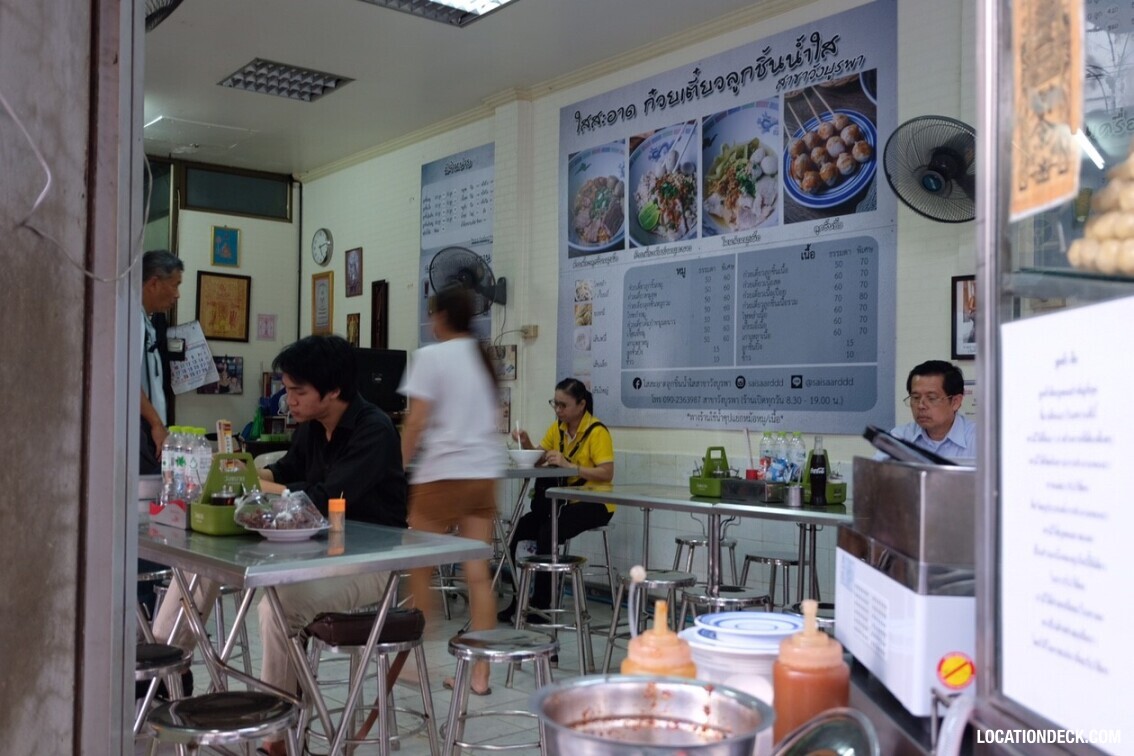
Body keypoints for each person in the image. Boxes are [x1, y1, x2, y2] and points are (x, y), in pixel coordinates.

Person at [152, 336, 407, 754]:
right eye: (287, 389)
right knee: (207, 563)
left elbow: (324, 498)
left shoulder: (374, 430)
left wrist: (259, 482)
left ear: (334, 390)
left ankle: (277, 738)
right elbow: (286, 473)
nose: (288, 400)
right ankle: (165, 669)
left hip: (370, 563)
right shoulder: (311, 429)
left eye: (297, 391)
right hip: (314, 550)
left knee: (279, 604)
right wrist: (249, 475)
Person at [399, 286, 503, 696]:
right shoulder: (483, 358)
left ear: (439, 317)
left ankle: (410, 662)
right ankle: (480, 675)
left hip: (440, 475)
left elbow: (416, 422)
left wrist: (395, 469)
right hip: (482, 473)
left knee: (418, 571)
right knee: (477, 576)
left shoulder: (431, 356)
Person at [498, 377, 615, 624]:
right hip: (561, 502)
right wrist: (526, 443)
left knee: (548, 532)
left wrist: (571, 467)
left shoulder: (597, 431)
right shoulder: (558, 429)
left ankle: (542, 605)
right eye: (555, 404)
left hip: (596, 503)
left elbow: (607, 473)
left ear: (581, 405)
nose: (558, 410)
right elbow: (540, 459)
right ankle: (519, 600)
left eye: (563, 405)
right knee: (519, 529)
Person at [883, 360, 976, 462]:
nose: (921, 405)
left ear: (955, 402)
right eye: (916, 397)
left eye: (931, 398)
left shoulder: (980, 441)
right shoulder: (899, 438)